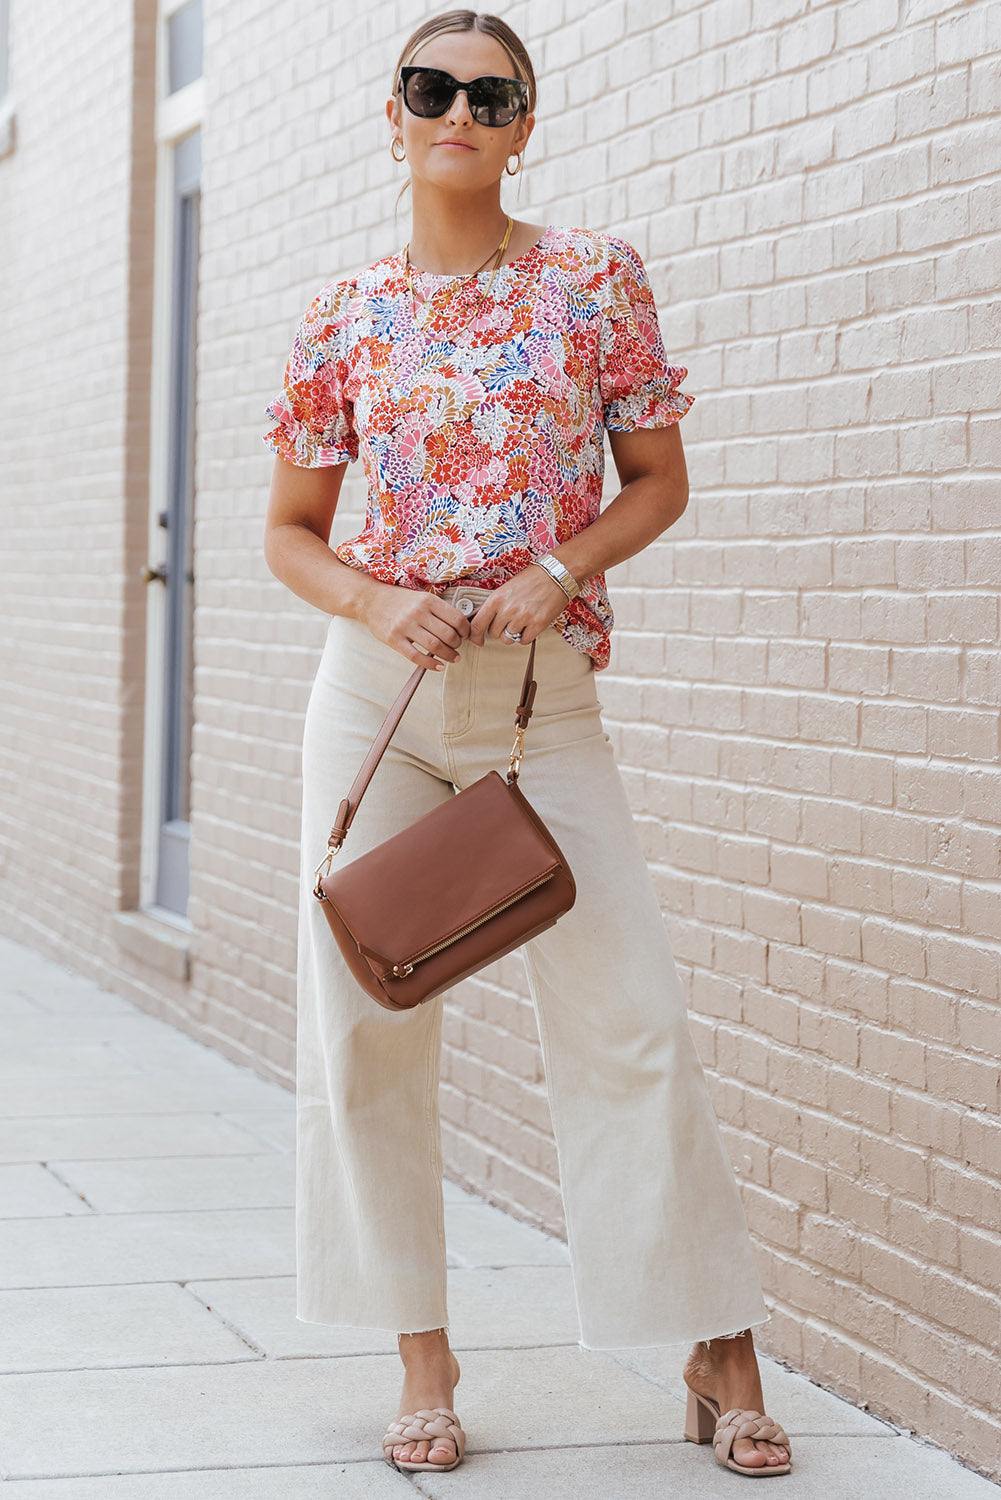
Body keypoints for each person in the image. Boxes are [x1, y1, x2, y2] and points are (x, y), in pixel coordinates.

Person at [261, 6, 792, 1481]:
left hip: (540, 694)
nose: (458, 112)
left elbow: (654, 482)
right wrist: (380, 599)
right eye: (430, 88)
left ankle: (712, 1344)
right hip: (375, 700)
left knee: (630, 1016)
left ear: (523, 123)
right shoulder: (344, 315)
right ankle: (422, 1360)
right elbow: (291, 537)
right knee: (366, 1022)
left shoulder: (590, 281)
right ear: (392, 112)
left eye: (489, 95)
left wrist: (556, 571)